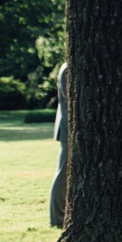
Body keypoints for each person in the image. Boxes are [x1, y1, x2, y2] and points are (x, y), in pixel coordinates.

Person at [49, 61, 69, 228]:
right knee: (63, 174)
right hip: (69, 129)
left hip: (71, 129)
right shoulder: (68, 68)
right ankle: (57, 219)